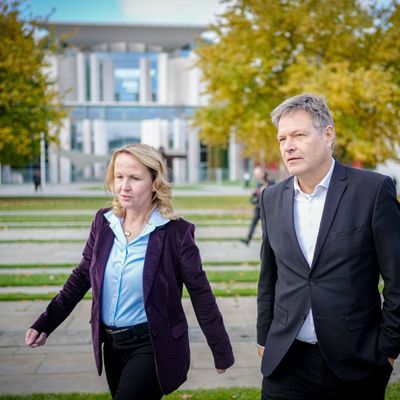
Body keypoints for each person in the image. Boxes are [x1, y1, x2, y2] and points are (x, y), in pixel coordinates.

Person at [25, 143, 234, 399]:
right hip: (111, 345)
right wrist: (46, 323)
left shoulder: (176, 233)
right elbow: (82, 276)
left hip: (153, 345)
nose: (124, 185)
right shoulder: (103, 222)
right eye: (119, 176)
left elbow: (201, 294)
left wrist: (221, 348)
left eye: (134, 178)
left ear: (154, 182)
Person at [257, 94, 400, 400]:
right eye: (282, 138)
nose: (288, 145)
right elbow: (269, 276)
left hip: (356, 364)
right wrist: (263, 337)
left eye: (298, 135)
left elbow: (397, 278)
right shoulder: (271, 198)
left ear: (328, 134)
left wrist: (388, 349)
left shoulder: (373, 190)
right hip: (286, 361)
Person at [240, 166, 270, 246]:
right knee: (253, 223)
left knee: (267, 226)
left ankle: (269, 242)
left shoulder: (270, 183)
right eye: (255, 174)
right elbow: (254, 196)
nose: (256, 176)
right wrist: (254, 197)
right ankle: (248, 240)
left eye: (257, 174)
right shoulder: (258, 184)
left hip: (267, 209)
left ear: (262, 174)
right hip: (258, 208)